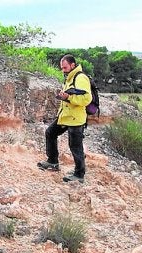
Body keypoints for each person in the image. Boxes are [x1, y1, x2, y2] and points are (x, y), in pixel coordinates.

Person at [37, 54, 92, 183]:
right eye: (62, 68)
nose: (63, 70)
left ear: (73, 65)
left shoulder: (80, 77)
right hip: (66, 116)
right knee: (50, 133)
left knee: (75, 146)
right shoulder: (69, 77)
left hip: (76, 118)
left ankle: (79, 175)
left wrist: (68, 97)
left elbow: (86, 99)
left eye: (65, 67)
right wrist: (64, 97)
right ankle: (53, 162)